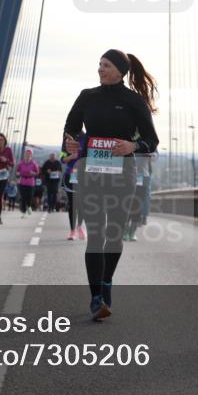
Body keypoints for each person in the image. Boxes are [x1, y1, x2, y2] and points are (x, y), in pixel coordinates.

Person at [64, 49, 159, 321]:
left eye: (105, 65)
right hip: (91, 172)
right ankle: (96, 298)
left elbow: (151, 141)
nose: (100, 69)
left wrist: (132, 145)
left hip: (123, 173)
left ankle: (106, 283)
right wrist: (70, 143)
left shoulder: (133, 101)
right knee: (95, 234)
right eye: (99, 64)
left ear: (120, 71)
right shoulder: (87, 96)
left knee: (114, 234)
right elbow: (70, 128)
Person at [16, 149, 39, 216]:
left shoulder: (34, 164)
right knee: (23, 197)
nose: (27, 156)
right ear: (24, 155)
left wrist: (33, 173)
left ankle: (29, 207)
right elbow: (17, 171)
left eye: (29, 155)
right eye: (26, 154)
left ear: (31, 156)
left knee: (29, 197)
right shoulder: (21, 163)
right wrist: (18, 173)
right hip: (22, 181)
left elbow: (37, 173)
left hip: (30, 182)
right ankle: (24, 211)